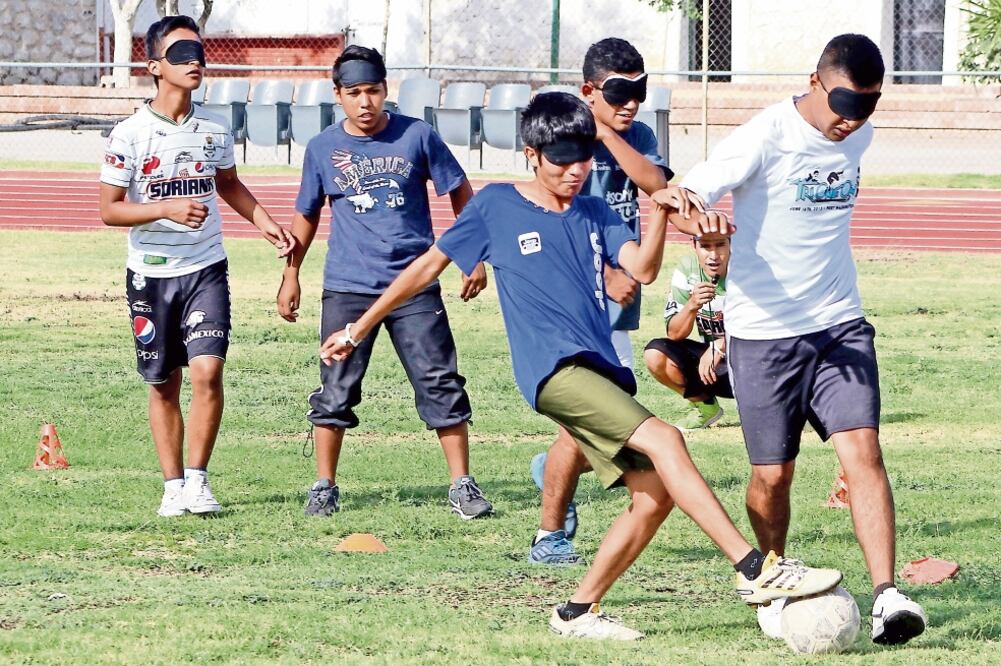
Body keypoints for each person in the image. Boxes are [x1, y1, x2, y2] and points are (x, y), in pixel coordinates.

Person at [318, 92, 844, 640]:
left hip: (595, 370)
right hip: (552, 373)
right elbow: (427, 266)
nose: (575, 171)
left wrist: (660, 211)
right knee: (667, 440)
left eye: (584, 159)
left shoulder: (595, 211)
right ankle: (755, 569)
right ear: (531, 154)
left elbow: (641, 269)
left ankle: (577, 611)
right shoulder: (495, 206)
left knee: (655, 494)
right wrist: (358, 328)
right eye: (560, 161)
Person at [678, 34, 926, 645]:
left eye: (866, 107)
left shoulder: (857, 132)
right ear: (816, 82)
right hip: (764, 334)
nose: (851, 120)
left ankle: (887, 596)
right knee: (773, 477)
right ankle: (772, 578)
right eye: (843, 103)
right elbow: (690, 192)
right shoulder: (766, 134)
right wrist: (697, 215)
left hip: (839, 322)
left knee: (863, 453)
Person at [276, 45, 493, 520]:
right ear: (338, 95)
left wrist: (471, 253)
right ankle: (324, 485)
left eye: (373, 90)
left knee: (440, 381)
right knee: (336, 386)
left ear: (385, 89)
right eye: (354, 93)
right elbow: (306, 215)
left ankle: (462, 484)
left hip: (414, 285)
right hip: (348, 286)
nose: (365, 102)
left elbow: (460, 190)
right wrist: (291, 273)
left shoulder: (417, 135)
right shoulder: (322, 148)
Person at [99, 15, 295, 517]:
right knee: (163, 383)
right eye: (181, 55)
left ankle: (198, 481)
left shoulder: (214, 127)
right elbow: (109, 209)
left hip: (206, 268)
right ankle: (171, 487)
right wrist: (165, 208)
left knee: (208, 371)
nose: (194, 64)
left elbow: (227, 185)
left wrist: (265, 222)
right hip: (150, 275)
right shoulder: (129, 134)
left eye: (198, 54)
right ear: (154, 66)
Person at [528, 37, 672, 565]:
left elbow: (655, 184)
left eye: (640, 90)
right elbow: (550, 210)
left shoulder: (636, 133)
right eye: (618, 92)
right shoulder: (564, 130)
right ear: (589, 90)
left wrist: (609, 131)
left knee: (600, 423)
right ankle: (551, 534)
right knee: (591, 421)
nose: (631, 101)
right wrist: (605, 271)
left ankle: (552, 474)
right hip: (576, 300)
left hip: (620, 297)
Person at [643, 232, 733, 431]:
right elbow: (675, 334)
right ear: (694, 246)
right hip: (714, 366)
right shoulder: (687, 268)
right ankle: (705, 407)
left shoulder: (747, 270)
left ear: (730, 245)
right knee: (656, 353)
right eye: (705, 246)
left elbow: (769, 326)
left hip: (755, 362)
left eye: (720, 245)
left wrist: (719, 345)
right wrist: (692, 305)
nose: (713, 255)